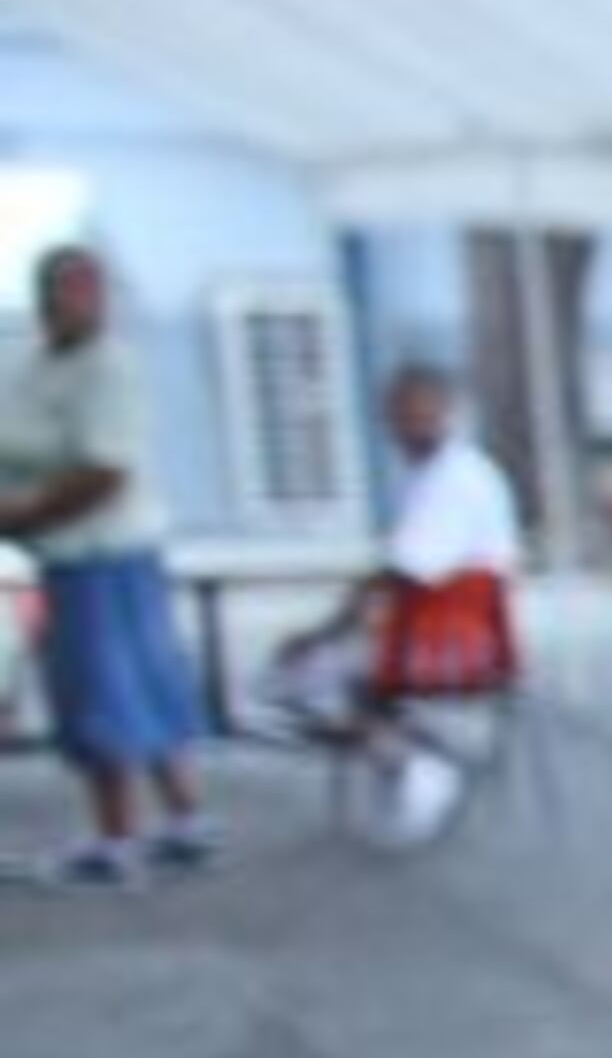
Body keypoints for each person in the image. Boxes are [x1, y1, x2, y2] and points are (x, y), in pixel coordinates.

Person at [1, 243, 215, 887]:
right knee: (133, 686)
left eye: (77, 291)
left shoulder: (110, 369)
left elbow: (103, 473)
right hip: (65, 557)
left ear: (98, 298)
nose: (61, 304)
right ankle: (183, 823)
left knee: (111, 694)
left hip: (105, 553)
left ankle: (116, 839)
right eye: (52, 291)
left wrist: (22, 517)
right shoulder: (37, 366)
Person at [259, 363, 521, 844]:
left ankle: (411, 762)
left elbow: (398, 575)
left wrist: (323, 632)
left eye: (416, 416)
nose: (405, 429)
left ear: (446, 413)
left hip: (441, 644)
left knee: (290, 676)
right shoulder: (455, 473)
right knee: (323, 669)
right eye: (399, 418)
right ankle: (398, 743)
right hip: (454, 635)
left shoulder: (451, 483)